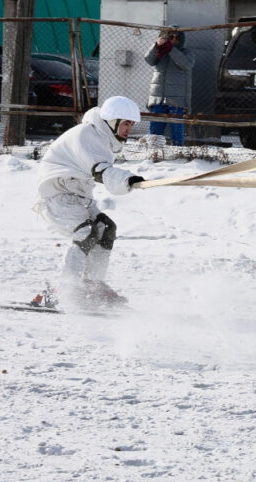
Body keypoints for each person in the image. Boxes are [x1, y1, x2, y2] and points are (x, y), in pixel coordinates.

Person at [31, 95, 146, 308]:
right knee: (86, 232)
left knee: (106, 228)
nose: (129, 129)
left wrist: (128, 181)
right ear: (112, 122)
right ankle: (65, 289)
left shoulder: (104, 139)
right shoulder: (87, 135)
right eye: (126, 124)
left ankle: (92, 285)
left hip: (78, 196)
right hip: (57, 195)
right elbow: (99, 170)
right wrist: (127, 180)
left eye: (131, 124)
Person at [144, 27, 195, 146]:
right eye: (170, 37)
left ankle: (178, 153)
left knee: (176, 130)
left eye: (177, 37)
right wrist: (156, 45)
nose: (173, 39)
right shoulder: (160, 52)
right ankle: (153, 153)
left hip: (177, 100)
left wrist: (171, 49)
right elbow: (149, 59)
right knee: (155, 130)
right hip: (158, 98)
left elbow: (186, 64)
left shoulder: (186, 53)